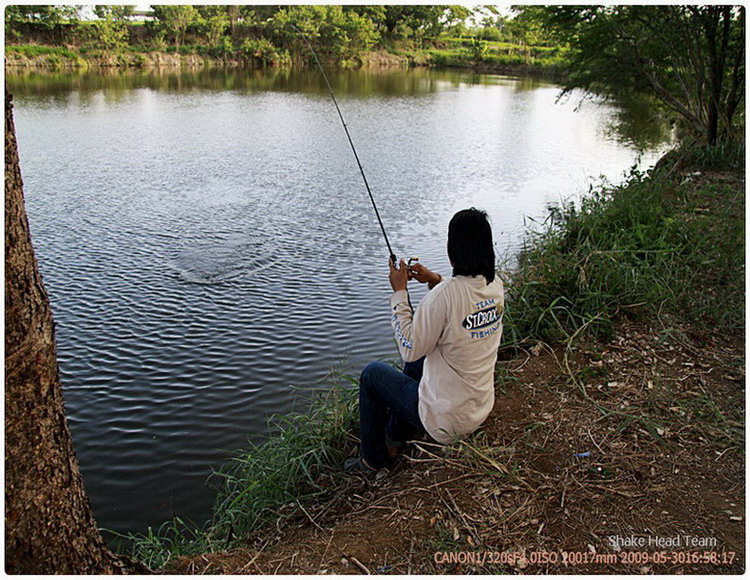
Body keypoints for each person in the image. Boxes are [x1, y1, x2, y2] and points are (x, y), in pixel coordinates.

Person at [345, 208, 505, 475]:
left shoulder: (444, 297)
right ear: (486, 247)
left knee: (373, 375)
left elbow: (408, 349)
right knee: (423, 354)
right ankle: (394, 439)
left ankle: (372, 461)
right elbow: (459, 305)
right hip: (478, 408)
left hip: (447, 421)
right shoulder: (495, 285)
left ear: (452, 248)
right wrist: (434, 279)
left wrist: (400, 292)